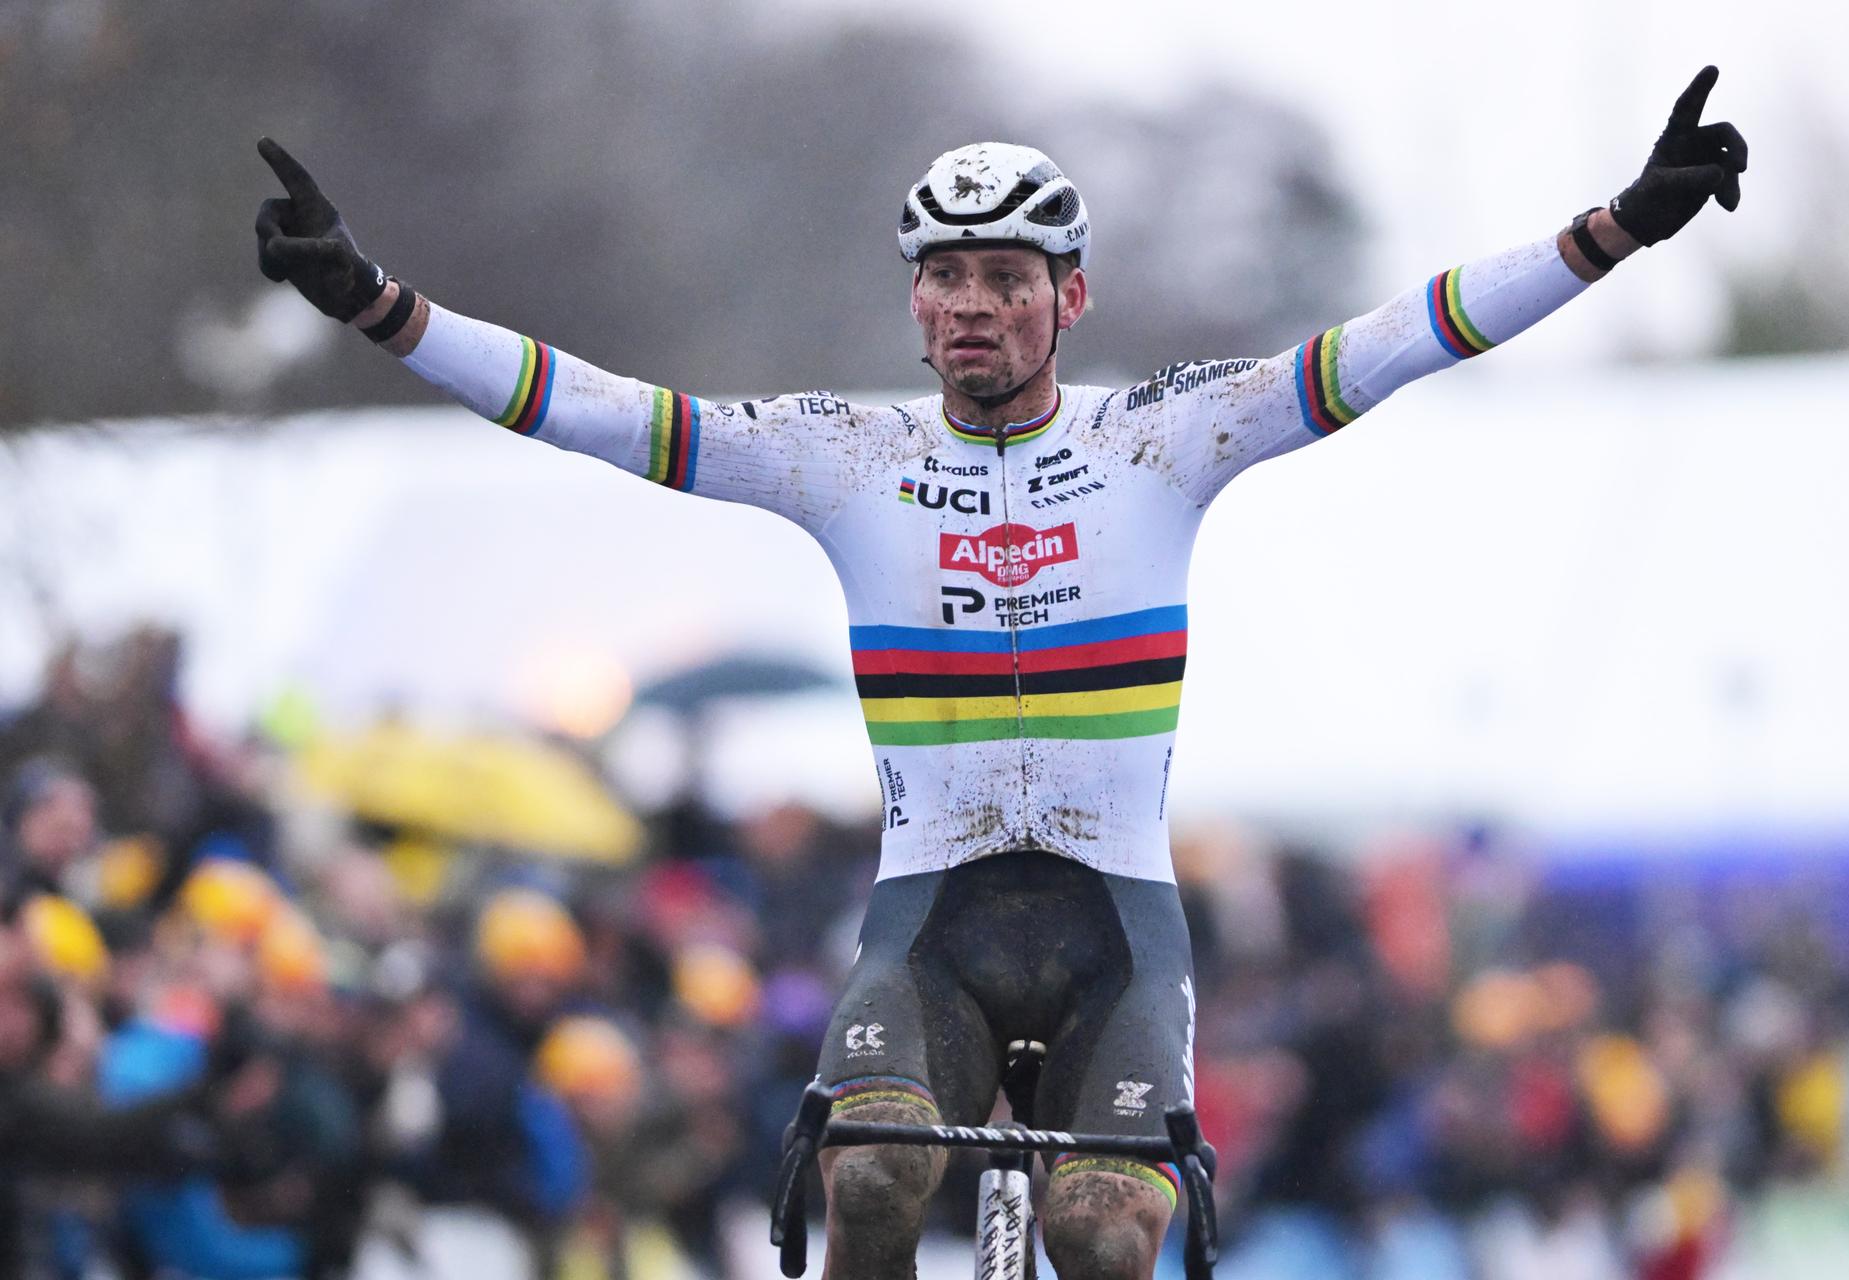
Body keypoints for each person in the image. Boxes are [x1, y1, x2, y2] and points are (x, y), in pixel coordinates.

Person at [252, 67, 1745, 1279]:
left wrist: (1614, 228)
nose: (973, 302)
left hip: (1117, 930)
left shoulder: (1166, 435)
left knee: (1102, 1236)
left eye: (1007, 277)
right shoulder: (843, 457)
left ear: (1069, 298)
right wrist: (378, 304)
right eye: (947, 276)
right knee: (873, 1182)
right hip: (931, 925)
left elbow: (1397, 343)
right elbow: (597, 411)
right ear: (915, 302)